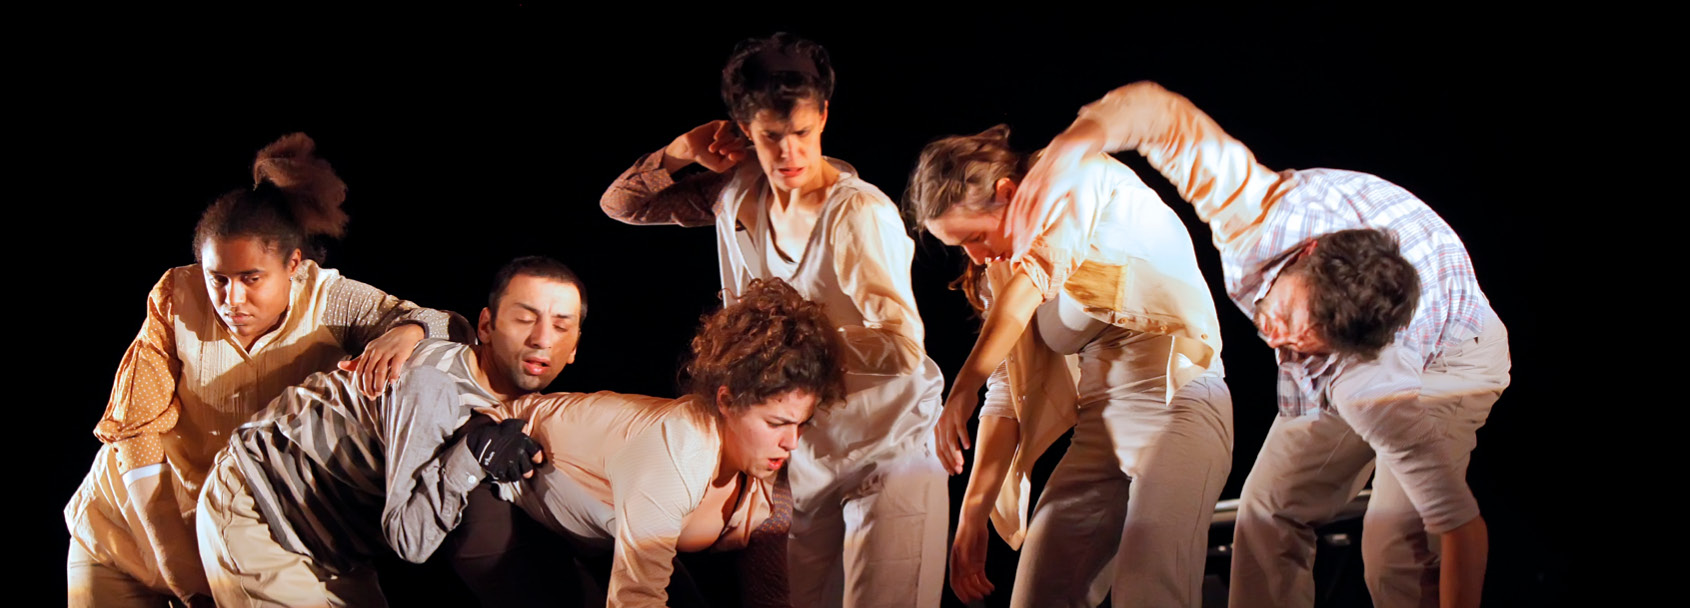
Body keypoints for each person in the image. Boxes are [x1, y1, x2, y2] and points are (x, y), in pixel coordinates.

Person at [1003, 81, 1510, 608]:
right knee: (1267, 513)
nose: (1276, 337)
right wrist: (1070, 150)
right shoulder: (1257, 213)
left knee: (1395, 547)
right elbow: (1158, 114)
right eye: (1286, 316)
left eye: (1308, 348)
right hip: (1389, 295)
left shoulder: (1371, 383)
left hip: (1454, 358)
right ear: (1305, 253)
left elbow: (1460, 527)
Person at [601, 33, 948, 607]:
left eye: (803, 133)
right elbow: (623, 206)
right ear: (743, 128)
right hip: (811, 456)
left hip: (888, 451)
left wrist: (788, 351)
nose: (789, 155)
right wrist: (681, 151)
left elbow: (903, 346)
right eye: (770, 137)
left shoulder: (858, 214)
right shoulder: (735, 193)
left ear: (824, 116)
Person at [64, 133, 458, 607]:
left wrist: (411, 329)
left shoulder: (330, 301)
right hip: (129, 530)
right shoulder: (176, 297)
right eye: (218, 279)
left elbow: (448, 328)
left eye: (251, 279)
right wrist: (183, 571)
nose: (232, 299)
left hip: (255, 532)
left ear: (293, 264)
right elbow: (136, 430)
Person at [904, 125, 1233, 607]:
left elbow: (1034, 283)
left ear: (1008, 193)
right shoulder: (1002, 269)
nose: (976, 255)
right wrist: (972, 515)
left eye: (975, 236)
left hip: (1177, 403)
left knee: (1148, 591)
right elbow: (1008, 389)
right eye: (961, 247)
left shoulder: (1076, 175)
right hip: (1098, 428)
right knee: (1038, 593)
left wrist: (962, 386)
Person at [194, 256, 585, 606]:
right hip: (258, 504)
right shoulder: (433, 387)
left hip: (330, 539)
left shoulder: (506, 394)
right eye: (524, 319)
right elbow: (409, 540)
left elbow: (447, 323)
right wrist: (471, 454)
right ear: (487, 325)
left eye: (560, 325)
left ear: (574, 349)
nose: (542, 339)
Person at [481, 278, 844, 607]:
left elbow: (769, 594)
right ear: (726, 401)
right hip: (501, 473)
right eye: (776, 423)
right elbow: (634, 601)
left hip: (597, 534)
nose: (792, 442)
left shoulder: (766, 469)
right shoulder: (677, 453)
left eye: (802, 424)